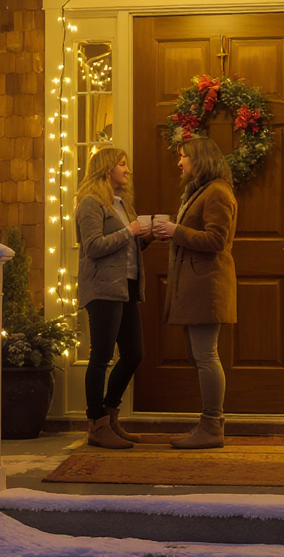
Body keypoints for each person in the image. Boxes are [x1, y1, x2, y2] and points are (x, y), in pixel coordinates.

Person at [152, 137, 237, 449]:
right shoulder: (201, 191)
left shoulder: (217, 192)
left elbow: (216, 240)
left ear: (199, 159)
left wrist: (176, 231)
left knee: (205, 355)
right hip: (194, 285)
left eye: (183, 156)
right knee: (197, 355)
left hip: (207, 286)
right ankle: (209, 424)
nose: (179, 162)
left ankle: (213, 426)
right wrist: (172, 231)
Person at [74, 147, 151, 449]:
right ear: (107, 169)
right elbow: (93, 247)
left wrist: (144, 239)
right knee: (101, 356)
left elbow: (125, 247)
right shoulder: (90, 203)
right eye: (122, 165)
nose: (127, 170)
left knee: (134, 353)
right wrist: (129, 232)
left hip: (126, 286)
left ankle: (110, 414)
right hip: (103, 288)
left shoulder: (122, 202)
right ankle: (96, 424)